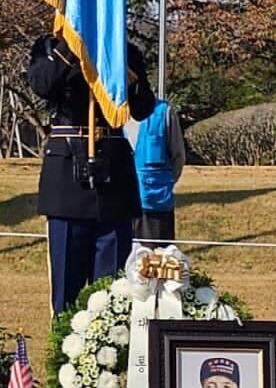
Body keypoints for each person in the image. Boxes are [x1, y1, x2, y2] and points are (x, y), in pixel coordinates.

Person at [28, 33, 156, 314]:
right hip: (66, 177)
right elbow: (42, 85)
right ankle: (63, 354)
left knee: (112, 292)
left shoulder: (124, 49)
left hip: (113, 176)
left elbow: (144, 108)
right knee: (66, 291)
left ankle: (108, 354)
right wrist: (69, 47)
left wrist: (127, 73)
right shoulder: (48, 48)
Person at [125, 97, 185, 243]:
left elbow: (178, 157)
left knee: (156, 260)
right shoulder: (109, 112)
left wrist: (163, 183)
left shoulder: (164, 111)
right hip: (119, 207)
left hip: (155, 206)